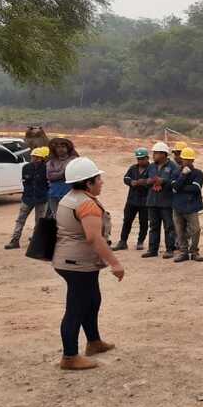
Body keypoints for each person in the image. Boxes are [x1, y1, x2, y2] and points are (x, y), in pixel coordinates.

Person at [52, 157, 123, 370]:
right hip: (77, 263)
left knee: (92, 300)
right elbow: (94, 238)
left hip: (73, 261)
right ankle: (70, 356)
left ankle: (94, 342)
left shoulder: (71, 197)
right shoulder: (86, 204)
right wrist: (115, 263)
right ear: (87, 182)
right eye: (98, 178)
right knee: (77, 307)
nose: (101, 182)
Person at [5, 146, 49, 249]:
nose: (33, 158)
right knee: (20, 220)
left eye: (36, 157)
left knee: (39, 222)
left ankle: (36, 242)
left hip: (41, 199)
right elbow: (25, 182)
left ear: (41, 158)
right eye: (33, 156)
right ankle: (15, 241)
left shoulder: (47, 168)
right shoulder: (26, 167)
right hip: (28, 198)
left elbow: (48, 184)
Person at [142, 142, 178, 259]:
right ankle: (152, 250)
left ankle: (169, 249)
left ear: (163, 154)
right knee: (153, 226)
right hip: (152, 201)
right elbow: (145, 180)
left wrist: (163, 182)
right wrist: (149, 182)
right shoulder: (151, 166)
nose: (154, 155)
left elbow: (176, 183)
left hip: (166, 202)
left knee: (169, 226)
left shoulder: (173, 167)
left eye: (156, 153)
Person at [112, 148, 150, 252]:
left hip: (145, 201)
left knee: (144, 222)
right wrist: (131, 182)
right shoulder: (133, 168)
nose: (140, 161)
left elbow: (153, 181)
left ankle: (140, 242)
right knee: (127, 221)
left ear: (147, 158)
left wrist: (144, 182)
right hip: (132, 200)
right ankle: (123, 241)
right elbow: (126, 178)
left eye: (142, 158)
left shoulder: (152, 169)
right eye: (138, 159)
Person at [171, 147, 203, 262]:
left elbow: (196, 188)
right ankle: (184, 252)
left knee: (196, 229)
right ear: (182, 159)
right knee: (179, 230)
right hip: (178, 206)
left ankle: (194, 251)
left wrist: (180, 188)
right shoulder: (176, 172)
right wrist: (183, 175)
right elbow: (174, 187)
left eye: (190, 160)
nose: (187, 162)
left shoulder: (198, 173)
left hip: (191, 206)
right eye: (185, 159)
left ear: (193, 160)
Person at [46, 137, 79, 215]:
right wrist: (63, 173)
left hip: (70, 193)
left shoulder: (74, 160)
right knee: (56, 216)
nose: (60, 149)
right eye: (58, 147)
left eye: (63, 147)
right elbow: (49, 176)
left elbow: (73, 175)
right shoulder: (51, 161)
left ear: (68, 148)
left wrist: (57, 174)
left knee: (70, 216)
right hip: (53, 194)